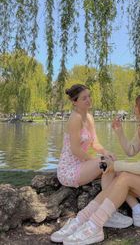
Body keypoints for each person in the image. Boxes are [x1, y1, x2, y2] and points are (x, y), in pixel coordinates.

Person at [61, 93, 140, 245]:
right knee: (113, 170)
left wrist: (117, 165)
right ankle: (83, 218)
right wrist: (119, 132)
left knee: (123, 175)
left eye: (136, 106)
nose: (134, 108)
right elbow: (131, 150)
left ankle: (95, 225)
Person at [51, 84, 133, 243]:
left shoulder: (89, 117)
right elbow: (75, 150)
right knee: (105, 165)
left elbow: (95, 143)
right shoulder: (74, 119)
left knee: (111, 162)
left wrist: (105, 152)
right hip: (70, 169)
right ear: (75, 102)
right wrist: (97, 161)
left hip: (83, 165)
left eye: (89, 96)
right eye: (84, 98)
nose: (89, 100)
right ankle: (109, 212)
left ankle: (108, 211)